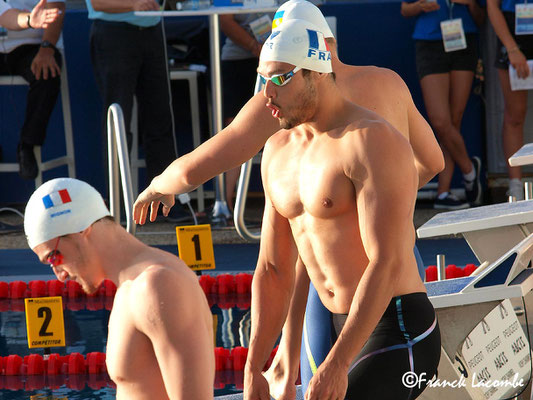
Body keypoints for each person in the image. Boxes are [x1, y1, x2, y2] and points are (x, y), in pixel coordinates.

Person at [243, 19, 441, 400]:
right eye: (262, 79)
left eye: (280, 79)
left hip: (397, 327)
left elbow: (387, 262)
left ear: (316, 72)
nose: (266, 93)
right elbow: (272, 269)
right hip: (334, 324)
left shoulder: (370, 139)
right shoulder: (277, 152)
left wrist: (337, 365)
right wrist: (254, 367)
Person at [133, 0, 443, 225]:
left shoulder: (285, 93)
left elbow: (195, 169)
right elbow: (432, 161)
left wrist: (157, 184)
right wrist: (384, 201)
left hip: (329, 266)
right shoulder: (388, 81)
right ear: (330, 42)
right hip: (399, 254)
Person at [24, 177, 214, 399]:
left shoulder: (156, 286)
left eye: (54, 257)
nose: (60, 275)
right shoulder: (130, 287)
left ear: (81, 229)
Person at [401, 0, 485, 209]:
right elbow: (405, 9)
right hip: (429, 44)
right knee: (440, 122)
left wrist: (471, 4)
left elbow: (482, 17)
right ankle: (469, 170)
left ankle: (443, 192)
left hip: (464, 41)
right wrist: (421, 6)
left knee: (454, 121)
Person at [86, 0, 178, 187]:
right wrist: (132, 4)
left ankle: (164, 203)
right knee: (118, 122)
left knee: (160, 120)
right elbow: (97, 3)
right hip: (114, 33)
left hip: (152, 31)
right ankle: (119, 207)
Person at [0, 0, 65, 180]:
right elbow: (7, 17)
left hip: (34, 47)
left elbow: (56, 10)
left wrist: (46, 49)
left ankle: (28, 145)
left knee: (47, 73)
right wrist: (29, 19)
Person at [219, 10, 269, 213]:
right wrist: (253, 46)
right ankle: (224, 205)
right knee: (234, 129)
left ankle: (284, 205)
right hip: (239, 59)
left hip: (281, 58)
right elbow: (224, 18)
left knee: (284, 128)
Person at [487, 0, 532, 200]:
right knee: (515, 114)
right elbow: (492, 5)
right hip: (513, 33)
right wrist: (512, 49)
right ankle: (515, 186)